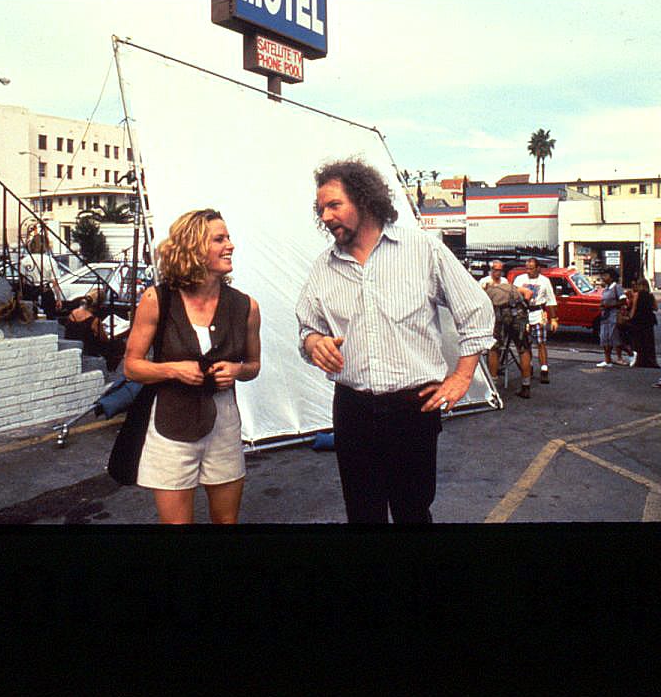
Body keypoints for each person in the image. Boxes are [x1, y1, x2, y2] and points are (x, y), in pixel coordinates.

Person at [295, 158, 494, 524]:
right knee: (362, 515)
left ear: (365, 200)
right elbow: (307, 327)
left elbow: (477, 311)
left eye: (334, 205)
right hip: (353, 409)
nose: (325, 216)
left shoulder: (422, 250)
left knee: (413, 513)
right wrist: (314, 344)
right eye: (321, 209)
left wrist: (462, 377)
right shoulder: (324, 267)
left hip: (413, 408)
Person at [121, 209, 262, 524]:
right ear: (194, 248)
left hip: (224, 426)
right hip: (170, 428)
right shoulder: (157, 300)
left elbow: (253, 366)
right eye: (219, 239)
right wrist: (173, 370)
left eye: (228, 237)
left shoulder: (246, 306)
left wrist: (237, 371)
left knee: (226, 522)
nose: (231, 245)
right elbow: (131, 367)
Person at [479, 260, 533, 397]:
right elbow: (528, 293)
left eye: (500, 270)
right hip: (518, 313)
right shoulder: (505, 283)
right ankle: (526, 385)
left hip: (500, 315)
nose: (498, 272)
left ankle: (493, 386)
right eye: (496, 270)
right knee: (523, 348)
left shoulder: (487, 284)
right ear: (491, 270)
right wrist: (525, 306)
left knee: (494, 348)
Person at [514, 257, 556, 383]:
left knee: (541, 343)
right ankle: (529, 367)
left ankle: (544, 369)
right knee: (526, 344)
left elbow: (551, 300)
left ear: (538, 268)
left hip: (538, 313)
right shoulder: (520, 279)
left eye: (531, 268)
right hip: (524, 314)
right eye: (527, 268)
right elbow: (514, 294)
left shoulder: (545, 281)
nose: (529, 271)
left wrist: (554, 318)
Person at [596, 267, 625, 367]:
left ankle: (623, 357)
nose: (603, 277)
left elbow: (623, 301)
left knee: (614, 337)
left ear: (611, 277)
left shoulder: (617, 287)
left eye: (606, 275)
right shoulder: (606, 289)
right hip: (605, 317)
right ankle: (607, 360)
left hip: (613, 315)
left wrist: (609, 306)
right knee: (604, 338)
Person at [628, 275, 659, 368]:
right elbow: (656, 308)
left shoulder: (637, 295)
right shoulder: (651, 295)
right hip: (649, 319)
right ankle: (651, 360)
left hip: (638, 319)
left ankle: (640, 360)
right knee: (649, 341)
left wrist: (630, 317)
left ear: (640, 285)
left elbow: (634, 308)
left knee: (639, 341)